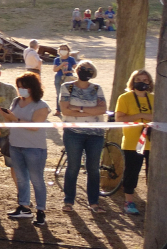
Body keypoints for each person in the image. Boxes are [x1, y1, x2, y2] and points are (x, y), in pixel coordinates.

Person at [0, 73, 50, 226]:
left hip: (34, 148)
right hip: (15, 145)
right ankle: (24, 207)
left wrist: (15, 119)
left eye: (24, 87)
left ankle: (41, 211)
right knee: (21, 178)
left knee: (37, 179)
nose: (21, 90)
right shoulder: (16, 101)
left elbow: (35, 126)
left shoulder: (42, 106)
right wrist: (7, 116)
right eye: (19, 87)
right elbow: (12, 120)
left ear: (32, 88)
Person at [60, 60, 108, 213]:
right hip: (73, 133)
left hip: (96, 134)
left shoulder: (97, 88)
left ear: (92, 73)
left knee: (93, 168)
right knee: (73, 167)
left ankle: (94, 202)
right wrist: (89, 109)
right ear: (77, 70)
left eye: (89, 69)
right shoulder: (67, 87)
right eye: (82, 68)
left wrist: (78, 109)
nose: (85, 71)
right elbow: (65, 110)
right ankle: (68, 201)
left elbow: (102, 110)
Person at [117, 69, 153, 215]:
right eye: (139, 80)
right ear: (133, 81)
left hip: (153, 143)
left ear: (150, 83)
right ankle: (129, 201)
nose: (142, 83)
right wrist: (141, 115)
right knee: (132, 172)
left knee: (154, 174)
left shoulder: (154, 98)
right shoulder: (125, 98)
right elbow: (119, 118)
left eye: (145, 80)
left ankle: (153, 202)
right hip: (133, 143)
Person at [52, 44, 76, 118]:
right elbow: (54, 70)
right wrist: (61, 65)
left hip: (68, 78)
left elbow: (76, 69)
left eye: (65, 49)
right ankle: (58, 110)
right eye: (61, 49)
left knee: (70, 93)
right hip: (59, 77)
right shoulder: (57, 59)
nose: (63, 50)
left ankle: (69, 109)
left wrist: (70, 71)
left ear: (68, 50)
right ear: (59, 50)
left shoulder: (71, 59)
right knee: (59, 93)